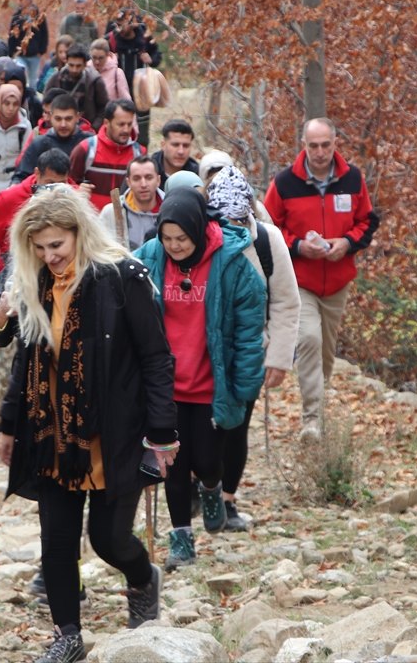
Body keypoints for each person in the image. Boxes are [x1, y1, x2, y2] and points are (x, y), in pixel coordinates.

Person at [0, 187, 178, 656]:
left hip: (114, 430)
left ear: (80, 233)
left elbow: (156, 358)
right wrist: (9, 424)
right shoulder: (33, 282)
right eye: (38, 247)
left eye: (57, 244)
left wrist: (162, 435)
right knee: (56, 542)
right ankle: (67, 637)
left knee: (109, 540)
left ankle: (141, 577)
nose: (48, 255)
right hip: (51, 432)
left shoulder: (122, 276)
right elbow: (20, 359)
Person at [132, 189, 266, 570]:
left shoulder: (232, 264)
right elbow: (119, 288)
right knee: (172, 464)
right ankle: (182, 541)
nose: (174, 246)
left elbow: (248, 331)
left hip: (212, 384)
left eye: (182, 239)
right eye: (167, 238)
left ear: (198, 230)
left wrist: (245, 386)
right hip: (165, 387)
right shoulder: (150, 259)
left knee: (207, 460)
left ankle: (211, 488)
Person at [263, 118, 380, 441]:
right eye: (313, 145)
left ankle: (317, 404)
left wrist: (347, 243)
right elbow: (267, 227)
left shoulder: (353, 178)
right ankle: (311, 419)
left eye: (325, 145)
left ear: (334, 144)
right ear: (303, 145)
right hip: (300, 281)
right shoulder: (285, 182)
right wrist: (299, 246)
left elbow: (367, 222)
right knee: (309, 340)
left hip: (338, 281)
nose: (319, 152)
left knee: (326, 352)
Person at [206, 166, 301, 531]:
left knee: (236, 426)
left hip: (250, 348)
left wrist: (278, 359)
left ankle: (226, 502)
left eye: (235, 217)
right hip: (206, 349)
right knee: (206, 427)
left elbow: (286, 302)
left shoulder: (267, 239)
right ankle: (207, 488)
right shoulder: (201, 236)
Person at [0, 149, 73, 317]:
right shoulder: (10, 198)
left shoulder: (72, 198)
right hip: (14, 286)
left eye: (61, 183)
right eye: (49, 182)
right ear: (37, 173)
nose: (52, 189)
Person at [69, 99, 145, 211]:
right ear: (106, 123)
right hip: (92, 222)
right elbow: (68, 182)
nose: (126, 129)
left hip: (126, 221)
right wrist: (78, 190)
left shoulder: (139, 153)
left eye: (129, 124)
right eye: (121, 124)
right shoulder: (86, 149)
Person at [0, 83, 34, 224]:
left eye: (15, 104)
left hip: (12, 183)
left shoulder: (24, 126)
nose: (11, 109)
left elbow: (26, 156)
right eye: (6, 103)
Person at [106, 7, 161, 145]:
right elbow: (95, 59)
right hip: (117, 94)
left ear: (133, 23)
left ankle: (141, 161)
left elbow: (157, 55)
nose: (120, 29)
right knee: (118, 133)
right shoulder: (110, 40)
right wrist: (110, 60)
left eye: (123, 24)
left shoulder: (145, 38)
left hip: (141, 94)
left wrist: (151, 59)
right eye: (117, 24)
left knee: (141, 136)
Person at [14, 94, 93, 184]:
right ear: (51, 116)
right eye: (58, 119)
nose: (63, 124)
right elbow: (21, 177)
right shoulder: (39, 143)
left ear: (77, 117)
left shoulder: (90, 143)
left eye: (68, 119)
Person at [98, 155, 165, 251]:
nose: (143, 184)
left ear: (158, 180)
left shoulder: (171, 210)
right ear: (128, 183)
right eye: (137, 178)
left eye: (149, 177)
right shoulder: (111, 212)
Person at [43, 44, 109, 128]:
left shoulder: (95, 81)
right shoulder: (56, 78)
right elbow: (46, 103)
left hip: (85, 129)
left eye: (78, 66)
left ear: (85, 64)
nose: (74, 69)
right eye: (71, 65)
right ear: (66, 62)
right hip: (60, 127)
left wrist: (93, 128)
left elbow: (104, 107)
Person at [8, 0, 49, 87]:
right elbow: (12, 35)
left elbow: (44, 33)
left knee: (33, 82)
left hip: (35, 55)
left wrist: (41, 51)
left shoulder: (39, 16)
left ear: (28, 0)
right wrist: (11, 53)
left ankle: (32, 100)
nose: (18, 2)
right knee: (20, 76)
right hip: (20, 55)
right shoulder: (16, 16)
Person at [151, 119, 200, 188]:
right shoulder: (148, 172)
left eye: (186, 145)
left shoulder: (197, 175)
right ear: (163, 145)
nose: (181, 151)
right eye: (175, 145)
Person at [89, 38, 132, 103]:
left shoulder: (117, 73)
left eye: (101, 58)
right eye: (94, 57)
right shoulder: (86, 70)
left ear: (108, 55)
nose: (97, 62)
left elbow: (125, 100)